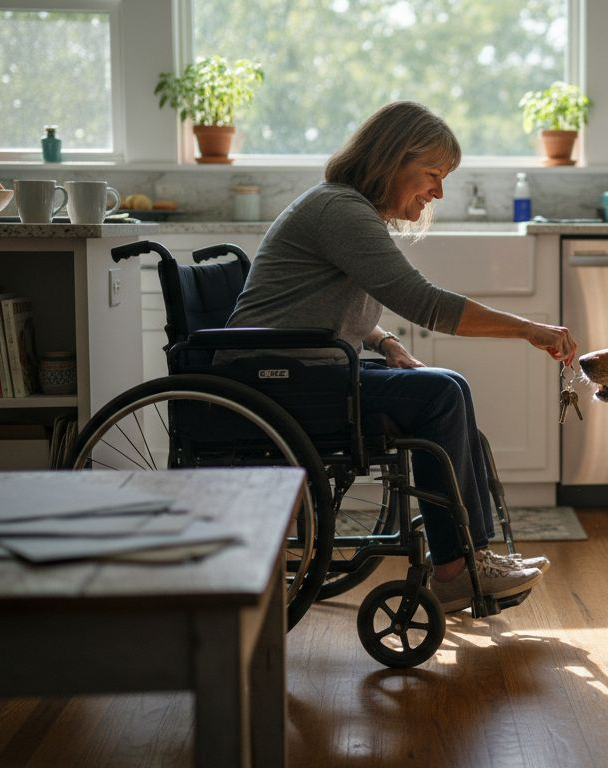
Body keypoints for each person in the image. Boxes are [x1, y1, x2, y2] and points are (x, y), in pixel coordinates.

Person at [227, 101, 578, 612]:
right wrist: (528, 330)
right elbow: (425, 303)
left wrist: (384, 340)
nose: (438, 191)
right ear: (391, 160)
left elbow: (322, 304)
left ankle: (468, 556)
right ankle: (457, 566)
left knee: (446, 385)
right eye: (432, 174)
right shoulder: (340, 211)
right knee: (440, 391)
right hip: (279, 380)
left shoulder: (345, 209)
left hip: (300, 369)